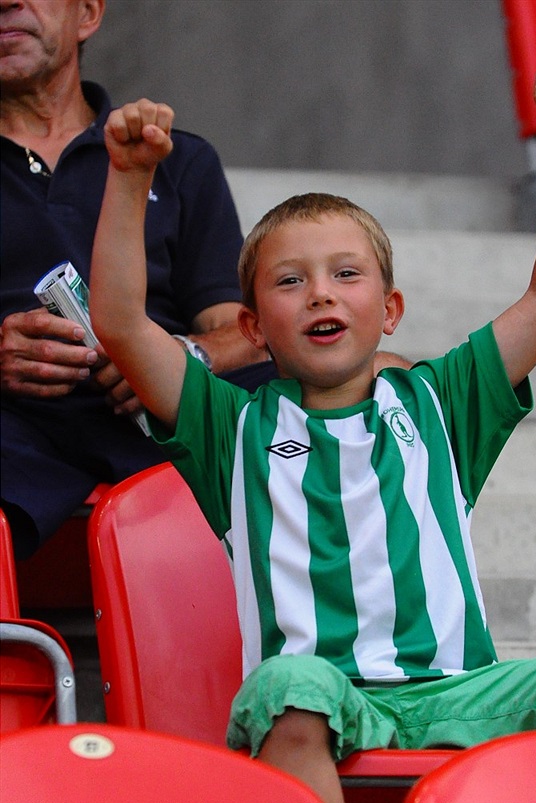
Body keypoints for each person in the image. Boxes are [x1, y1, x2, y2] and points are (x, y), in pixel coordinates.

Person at [89, 62, 536, 803]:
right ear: (253, 329)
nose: (321, 293)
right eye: (290, 282)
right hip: (328, 699)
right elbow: (119, 322)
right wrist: (128, 180)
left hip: (458, 692)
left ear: (389, 311)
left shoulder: (443, 405)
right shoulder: (230, 428)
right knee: (290, 685)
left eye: (345, 274)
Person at [0, 0, 408, 560]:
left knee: (374, 381)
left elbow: (245, 324)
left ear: (88, 13)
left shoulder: (178, 159)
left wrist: (179, 356)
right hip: (17, 424)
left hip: (167, 414)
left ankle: (367, 609)